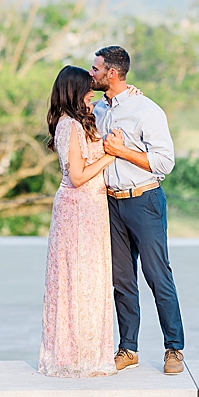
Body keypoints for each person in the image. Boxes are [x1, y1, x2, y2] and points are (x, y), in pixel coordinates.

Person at [90, 45, 185, 375]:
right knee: (122, 280)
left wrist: (123, 150)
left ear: (111, 73)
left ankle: (174, 348)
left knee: (158, 276)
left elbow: (164, 162)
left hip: (145, 201)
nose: (92, 73)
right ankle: (128, 348)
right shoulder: (99, 110)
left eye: (96, 69)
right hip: (111, 204)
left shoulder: (147, 111)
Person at [38, 65, 117, 377]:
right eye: (87, 87)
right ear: (75, 91)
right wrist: (112, 154)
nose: (92, 91)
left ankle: (91, 352)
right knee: (76, 281)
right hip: (77, 210)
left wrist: (132, 93)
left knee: (94, 281)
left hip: (94, 209)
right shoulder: (69, 125)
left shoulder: (83, 117)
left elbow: (111, 100)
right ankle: (74, 356)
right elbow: (78, 175)